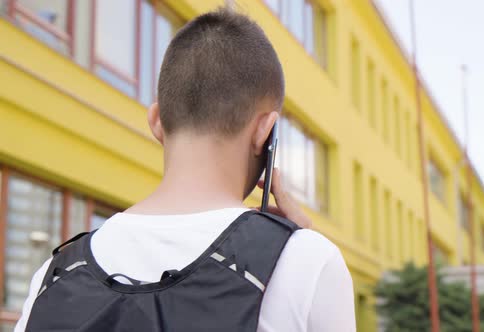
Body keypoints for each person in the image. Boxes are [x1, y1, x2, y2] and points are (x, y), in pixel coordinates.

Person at [15, 8, 355, 332]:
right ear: (265, 132)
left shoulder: (54, 274)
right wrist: (299, 244)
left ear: (157, 122)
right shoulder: (308, 264)